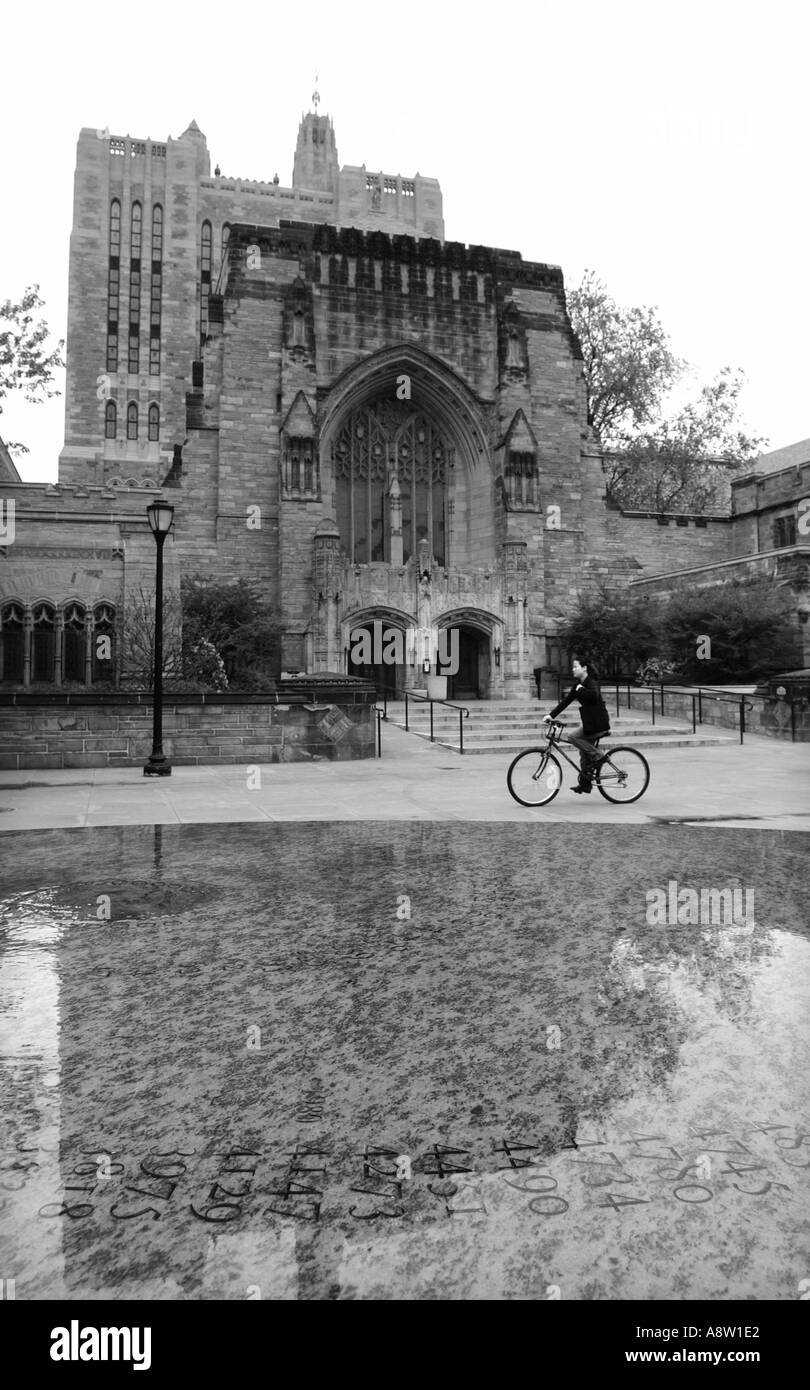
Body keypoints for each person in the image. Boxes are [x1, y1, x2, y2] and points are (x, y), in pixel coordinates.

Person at [542, 657, 611, 794]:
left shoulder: (591, 681)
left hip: (599, 723)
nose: (573, 669)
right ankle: (585, 784)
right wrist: (551, 715)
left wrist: (581, 689)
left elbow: (594, 695)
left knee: (573, 737)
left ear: (584, 668)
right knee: (584, 753)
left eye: (575, 667)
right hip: (590, 724)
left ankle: (600, 756)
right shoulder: (578, 685)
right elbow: (565, 702)